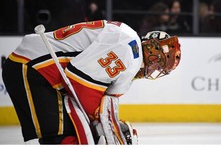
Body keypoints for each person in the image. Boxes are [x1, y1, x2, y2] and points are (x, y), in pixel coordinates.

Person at [2, 20, 181, 144]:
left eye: (159, 69)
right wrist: (101, 122)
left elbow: (105, 102)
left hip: (42, 73)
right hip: (31, 67)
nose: (153, 70)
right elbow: (79, 82)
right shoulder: (128, 50)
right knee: (59, 138)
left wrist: (109, 124)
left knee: (71, 136)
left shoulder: (130, 56)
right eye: (157, 63)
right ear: (151, 50)